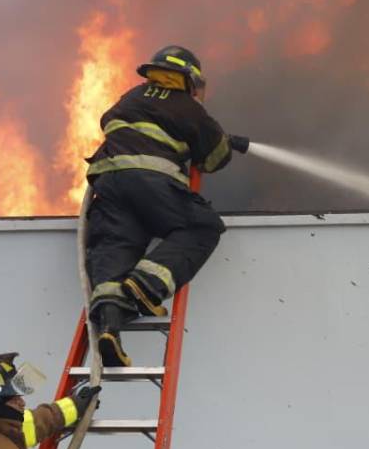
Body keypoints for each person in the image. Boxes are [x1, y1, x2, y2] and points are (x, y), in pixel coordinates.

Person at [84, 44, 249, 368]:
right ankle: (147, 286)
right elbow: (213, 158)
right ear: (189, 79)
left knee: (116, 247)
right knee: (202, 227)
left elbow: (112, 122)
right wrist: (225, 143)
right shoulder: (188, 106)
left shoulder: (132, 96)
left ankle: (109, 331)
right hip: (151, 183)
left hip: (108, 184)